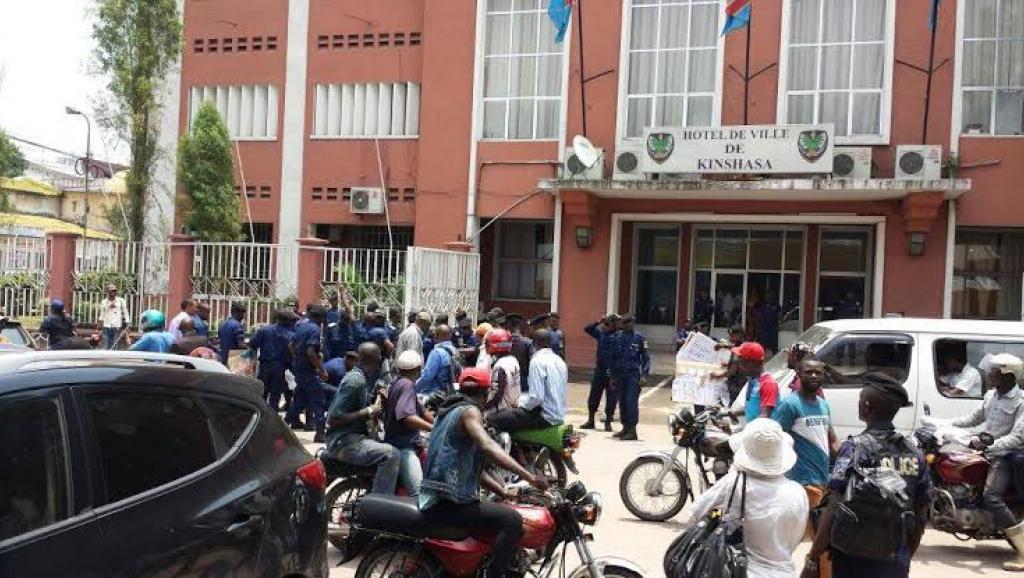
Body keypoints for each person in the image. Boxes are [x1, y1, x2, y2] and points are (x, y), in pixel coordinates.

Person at [418, 367, 549, 578]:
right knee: (512, 520)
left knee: (503, 511)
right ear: (486, 392)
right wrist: (530, 476)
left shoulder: (450, 410)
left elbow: (473, 469)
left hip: (443, 496)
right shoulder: (470, 411)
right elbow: (487, 445)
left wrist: (503, 491)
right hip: (446, 501)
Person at [802, 374, 931, 578]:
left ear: (867, 406)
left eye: (860, 400)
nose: (859, 404)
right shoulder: (915, 455)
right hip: (894, 559)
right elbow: (921, 515)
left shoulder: (853, 449)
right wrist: (905, 555)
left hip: (851, 558)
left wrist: (813, 557)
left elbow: (833, 507)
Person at [682, 418, 808, 578]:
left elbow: (695, 514)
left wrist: (718, 515)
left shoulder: (735, 483)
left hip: (739, 571)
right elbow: (795, 538)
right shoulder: (798, 493)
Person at [949, 353, 1024, 571]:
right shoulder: (991, 396)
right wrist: (943, 424)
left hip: (1006, 455)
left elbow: (1018, 437)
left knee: (991, 496)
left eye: (995, 372)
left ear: (1008, 375)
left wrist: (989, 447)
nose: (989, 375)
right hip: (989, 451)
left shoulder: (1021, 402)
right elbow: (973, 419)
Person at [326, 342, 401, 494]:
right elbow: (333, 418)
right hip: (345, 441)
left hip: (353, 437)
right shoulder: (356, 381)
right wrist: (369, 411)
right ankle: (380, 506)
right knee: (392, 454)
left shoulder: (362, 377)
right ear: (376, 360)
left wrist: (377, 398)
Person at [772, 357, 837, 521]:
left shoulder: (823, 405)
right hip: (801, 481)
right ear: (798, 374)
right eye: (809, 372)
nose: (814, 376)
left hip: (823, 479)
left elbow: (832, 440)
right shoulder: (790, 404)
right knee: (805, 533)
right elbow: (773, 438)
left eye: (818, 373)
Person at [488, 329, 567, 432]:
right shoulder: (559, 361)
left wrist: (520, 405)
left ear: (534, 343)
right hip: (559, 414)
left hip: (545, 416)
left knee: (493, 419)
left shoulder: (537, 361)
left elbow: (536, 397)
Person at [384, 350, 434, 497]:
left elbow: (422, 411)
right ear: (418, 369)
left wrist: (442, 421)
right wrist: (434, 428)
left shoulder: (398, 383)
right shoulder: (407, 385)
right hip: (403, 446)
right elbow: (407, 416)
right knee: (418, 494)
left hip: (404, 442)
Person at [287, 304, 330, 439]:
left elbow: (290, 346)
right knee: (317, 400)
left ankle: (284, 422)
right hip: (308, 370)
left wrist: (298, 357)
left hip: (299, 368)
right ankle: (320, 432)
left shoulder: (301, 326)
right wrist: (321, 369)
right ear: (320, 317)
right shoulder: (314, 330)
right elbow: (311, 352)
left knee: (300, 399)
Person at [609, 314, 649, 441]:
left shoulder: (640, 338)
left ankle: (632, 431)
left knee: (631, 402)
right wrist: (612, 376)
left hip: (633, 375)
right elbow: (612, 359)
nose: (628, 325)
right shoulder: (616, 337)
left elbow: (646, 358)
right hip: (620, 375)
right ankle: (625, 427)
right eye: (626, 323)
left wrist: (644, 375)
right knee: (622, 402)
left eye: (630, 322)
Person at [249, 309, 295, 410]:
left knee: (262, 393)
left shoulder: (264, 330)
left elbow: (253, 344)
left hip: (265, 365)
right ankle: (272, 418)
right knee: (275, 395)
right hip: (280, 368)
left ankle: (259, 415)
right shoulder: (291, 335)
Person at [581, 314, 619, 431]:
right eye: (606, 323)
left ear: (614, 325)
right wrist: (598, 321)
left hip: (613, 371)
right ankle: (591, 420)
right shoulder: (601, 334)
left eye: (609, 323)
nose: (606, 326)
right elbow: (587, 329)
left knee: (611, 398)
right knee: (594, 395)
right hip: (600, 369)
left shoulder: (618, 336)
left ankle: (608, 422)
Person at [733, 342, 780, 425]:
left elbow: (765, 417)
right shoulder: (752, 381)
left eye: (741, 361)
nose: (739, 365)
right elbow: (753, 409)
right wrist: (731, 413)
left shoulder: (768, 384)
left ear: (752, 362)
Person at [485, 328, 521, 414]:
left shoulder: (500, 366)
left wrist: (483, 406)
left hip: (501, 410)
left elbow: (497, 393)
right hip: (513, 407)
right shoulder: (513, 360)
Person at [417, 324, 459, 395]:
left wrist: (413, 388)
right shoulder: (455, 351)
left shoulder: (437, 353)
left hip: (434, 394)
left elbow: (427, 377)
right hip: (451, 393)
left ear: (436, 335)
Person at [98, 284, 129, 349]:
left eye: (114, 291)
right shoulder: (104, 302)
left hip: (117, 326)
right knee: (105, 345)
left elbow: (125, 312)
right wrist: (99, 326)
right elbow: (102, 314)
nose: (113, 292)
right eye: (111, 291)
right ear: (108, 292)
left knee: (115, 346)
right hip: (106, 326)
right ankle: (105, 358)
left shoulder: (120, 300)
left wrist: (127, 322)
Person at [507, 314, 533, 392]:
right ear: (520, 325)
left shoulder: (504, 341)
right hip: (523, 378)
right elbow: (531, 361)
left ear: (508, 326)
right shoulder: (527, 342)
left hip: (507, 377)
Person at [217, 302, 247, 366]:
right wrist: (250, 346)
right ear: (238, 313)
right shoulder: (237, 326)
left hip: (222, 358)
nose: (243, 316)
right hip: (233, 360)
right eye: (242, 314)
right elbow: (241, 345)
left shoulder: (222, 324)